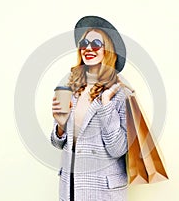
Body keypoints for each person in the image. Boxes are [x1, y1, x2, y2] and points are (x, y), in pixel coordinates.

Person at [51, 16, 129, 201]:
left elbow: (118, 149)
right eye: (84, 43)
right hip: (71, 189)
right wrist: (61, 127)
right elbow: (57, 143)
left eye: (96, 43)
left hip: (102, 192)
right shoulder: (72, 87)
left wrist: (105, 104)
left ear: (108, 50)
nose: (88, 48)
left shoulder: (120, 93)